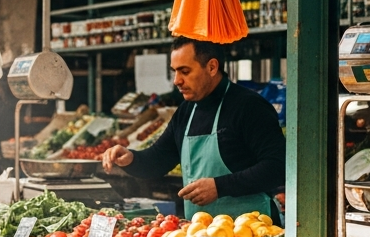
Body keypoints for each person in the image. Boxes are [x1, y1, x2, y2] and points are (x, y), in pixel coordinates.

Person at [101, 37, 284, 218]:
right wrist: (131, 158)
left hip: (254, 234)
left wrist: (219, 187)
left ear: (212, 67)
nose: (176, 81)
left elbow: (278, 166)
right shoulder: (186, 111)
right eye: (174, 72)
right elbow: (158, 160)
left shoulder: (249, 106)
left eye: (185, 71)